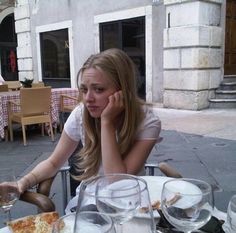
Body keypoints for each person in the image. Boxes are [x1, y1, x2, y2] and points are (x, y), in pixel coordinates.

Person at [17, 48, 161, 202]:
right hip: (90, 201)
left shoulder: (147, 122)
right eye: (84, 90)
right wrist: (22, 183)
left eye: (98, 89)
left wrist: (107, 123)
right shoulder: (81, 114)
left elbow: (119, 183)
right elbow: (53, 162)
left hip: (130, 203)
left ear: (123, 91)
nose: (88, 98)